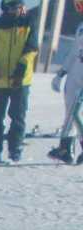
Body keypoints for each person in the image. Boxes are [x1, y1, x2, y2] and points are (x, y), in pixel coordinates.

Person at [0, 0, 38, 164]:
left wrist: (21, 69)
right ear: (6, 8)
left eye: (19, 7)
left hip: (21, 81)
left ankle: (15, 150)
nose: (16, 10)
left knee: (18, 116)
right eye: (12, 7)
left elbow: (32, 48)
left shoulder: (29, 23)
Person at [48, 0, 83, 165]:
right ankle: (65, 149)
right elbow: (74, 53)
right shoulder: (81, 27)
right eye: (78, 5)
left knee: (75, 113)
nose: (80, 9)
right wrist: (61, 73)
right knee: (70, 113)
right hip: (74, 75)